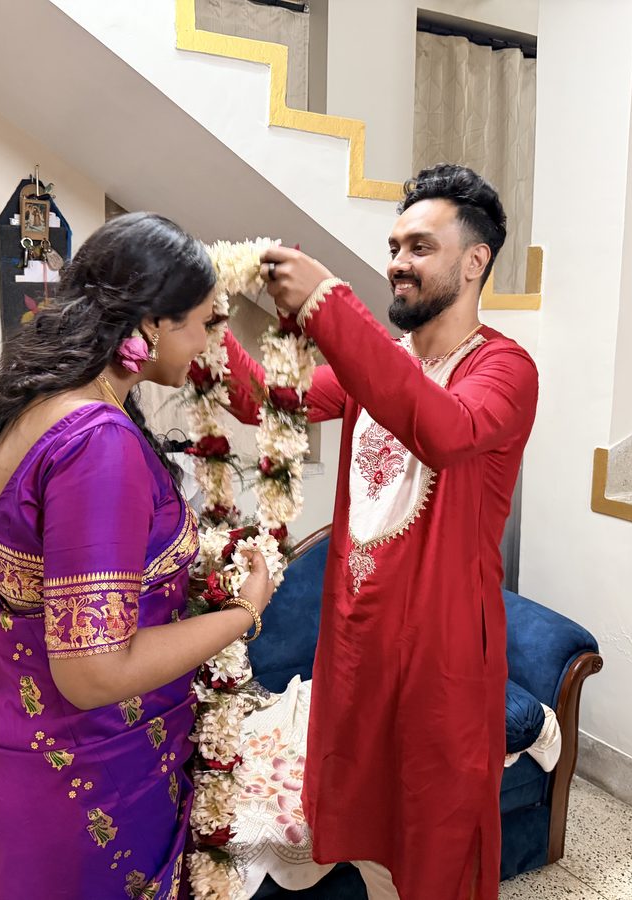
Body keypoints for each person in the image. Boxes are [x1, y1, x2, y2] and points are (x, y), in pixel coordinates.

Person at [0, 212, 274, 900]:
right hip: (91, 760)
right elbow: (95, 672)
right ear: (150, 324)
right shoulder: (96, 444)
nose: (206, 343)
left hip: (29, 732)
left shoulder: (40, 400)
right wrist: (241, 615)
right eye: (200, 322)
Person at [224, 165, 538, 900]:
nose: (397, 261)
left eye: (420, 246)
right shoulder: (383, 368)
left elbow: (445, 431)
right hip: (356, 645)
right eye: (394, 245)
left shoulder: (504, 369)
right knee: (364, 836)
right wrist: (201, 320)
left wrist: (331, 305)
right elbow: (262, 400)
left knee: (436, 842)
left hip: (441, 657)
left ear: (474, 261)